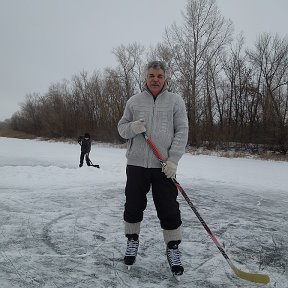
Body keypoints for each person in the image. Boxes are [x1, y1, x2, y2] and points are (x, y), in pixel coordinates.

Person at [117, 60, 189, 276]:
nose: (155, 79)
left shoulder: (176, 101)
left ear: (165, 77)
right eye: (151, 76)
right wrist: (132, 127)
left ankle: (173, 248)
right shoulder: (134, 101)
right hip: (137, 165)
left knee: (168, 208)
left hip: (163, 166)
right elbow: (121, 129)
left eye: (159, 76)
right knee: (133, 205)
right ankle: (132, 241)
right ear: (145, 78)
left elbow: (182, 131)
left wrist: (173, 160)